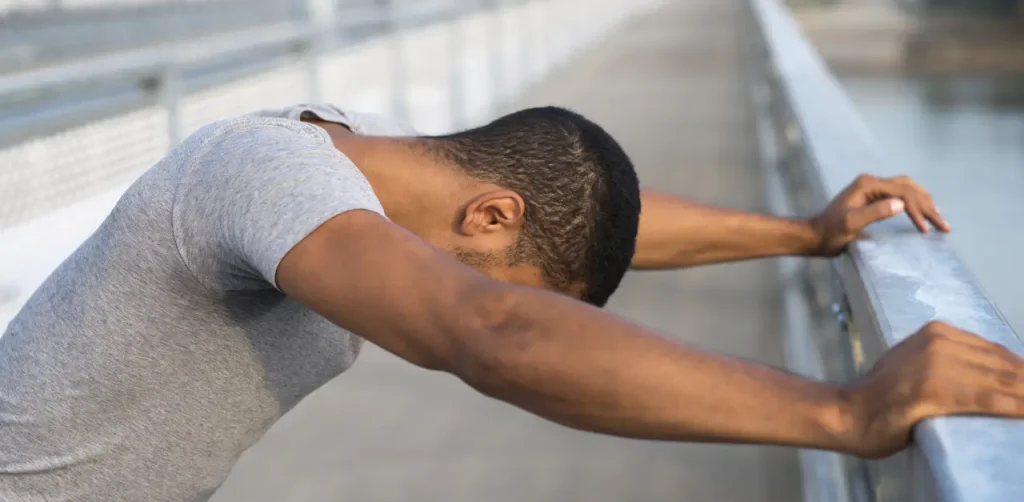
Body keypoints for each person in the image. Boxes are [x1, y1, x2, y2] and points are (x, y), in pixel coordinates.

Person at [0, 103, 1018, 501]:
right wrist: (840, 411)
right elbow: (496, 326)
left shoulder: (386, 160)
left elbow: (580, 206)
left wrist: (799, 231)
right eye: (481, 258)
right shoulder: (265, 174)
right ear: (485, 215)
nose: (450, 283)